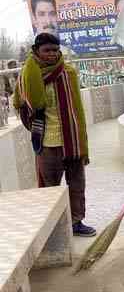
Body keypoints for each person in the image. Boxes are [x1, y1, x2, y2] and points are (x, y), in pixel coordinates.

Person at [12, 33, 95, 237]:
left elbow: (78, 110)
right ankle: (56, 226)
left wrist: (82, 139)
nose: (51, 54)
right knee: (50, 187)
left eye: (55, 50)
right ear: (36, 51)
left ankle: (76, 222)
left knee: (76, 183)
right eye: (46, 50)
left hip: (72, 140)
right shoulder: (27, 76)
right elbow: (19, 105)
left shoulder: (68, 73)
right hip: (47, 142)